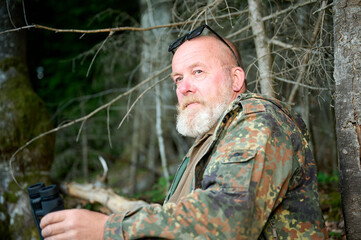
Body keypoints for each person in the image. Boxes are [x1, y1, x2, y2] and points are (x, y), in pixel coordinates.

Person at [40, 25, 327, 239]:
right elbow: (183, 220)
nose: (183, 87)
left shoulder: (257, 120)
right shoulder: (209, 140)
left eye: (198, 72)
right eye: (178, 78)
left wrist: (109, 228)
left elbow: (229, 219)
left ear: (235, 78)